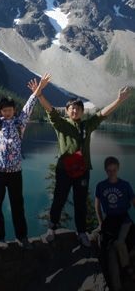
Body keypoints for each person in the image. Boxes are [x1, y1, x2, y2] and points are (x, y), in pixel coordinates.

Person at [36, 84, 132, 247]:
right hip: (63, 169)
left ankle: (82, 233)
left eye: (78, 109)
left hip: (83, 170)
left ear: (82, 112)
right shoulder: (61, 124)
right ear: (67, 110)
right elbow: (50, 111)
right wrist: (40, 95)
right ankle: (51, 229)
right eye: (72, 109)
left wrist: (118, 101)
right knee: (59, 199)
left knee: (80, 202)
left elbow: (102, 114)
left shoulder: (87, 125)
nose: (75, 111)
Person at [0, 68, 51, 249]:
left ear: (14, 110)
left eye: (10, 109)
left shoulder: (20, 123)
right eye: (4, 110)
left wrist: (39, 89)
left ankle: (22, 237)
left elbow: (29, 106)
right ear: (0, 111)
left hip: (15, 171)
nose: (7, 112)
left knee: (17, 204)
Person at [95, 156, 135, 291]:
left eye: (114, 169)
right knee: (111, 258)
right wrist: (101, 222)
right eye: (109, 170)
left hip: (124, 220)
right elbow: (97, 205)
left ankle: (128, 266)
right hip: (110, 222)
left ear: (118, 169)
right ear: (106, 169)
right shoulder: (101, 186)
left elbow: (134, 202)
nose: (112, 172)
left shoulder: (125, 185)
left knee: (118, 242)